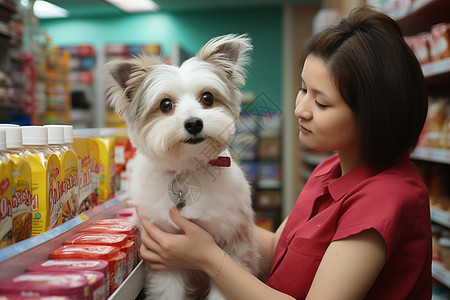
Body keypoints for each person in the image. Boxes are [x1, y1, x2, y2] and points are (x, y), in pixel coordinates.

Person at [139, 6, 432, 300]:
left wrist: (207, 257)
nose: (299, 110)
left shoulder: (385, 199)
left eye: (322, 103)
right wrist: (217, 224)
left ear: (373, 114)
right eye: (303, 89)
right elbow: (281, 248)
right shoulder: (331, 169)